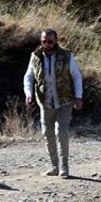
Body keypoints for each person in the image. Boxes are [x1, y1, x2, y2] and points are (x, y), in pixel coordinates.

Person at [23, 29, 84, 177]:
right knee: (47, 134)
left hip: (64, 100)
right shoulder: (35, 57)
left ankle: (64, 167)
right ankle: (54, 166)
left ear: (56, 41)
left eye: (50, 41)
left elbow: (76, 76)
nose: (47, 44)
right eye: (44, 41)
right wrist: (29, 93)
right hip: (45, 102)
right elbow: (29, 77)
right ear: (41, 41)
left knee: (61, 132)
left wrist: (78, 96)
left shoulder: (66, 56)